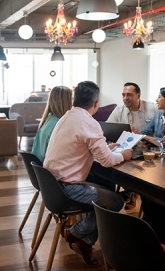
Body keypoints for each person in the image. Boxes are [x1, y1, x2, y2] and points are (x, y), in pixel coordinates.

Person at [44, 81, 131, 267]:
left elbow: (83, 149)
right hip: (68, 191)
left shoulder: (66, 117)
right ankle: (75, 233)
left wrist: (105, 149)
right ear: (96, 103)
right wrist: (123, 154)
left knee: (106, 193)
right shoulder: (88, 123)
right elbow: (107, 161)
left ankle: (85, 241)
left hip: (52, 187)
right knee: (116, 201)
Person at [31, 86, 73, 162]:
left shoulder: (49, 119)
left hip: (40, 167)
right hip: (49, 169)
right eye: (72, 99)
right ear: (65, 102)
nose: (73, 103)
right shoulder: (58, 125)